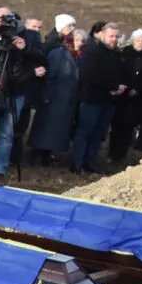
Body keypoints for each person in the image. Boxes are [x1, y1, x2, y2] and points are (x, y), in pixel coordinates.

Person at [72, 21, 128, 174]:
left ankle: (91, 162)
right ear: (103, 35)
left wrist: (120, 86)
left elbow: (120, 73)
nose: (114, 39)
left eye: (116, 36)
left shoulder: (116, 53)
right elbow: (89, 75)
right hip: (91, 98)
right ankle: (78, 163)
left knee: (98, 133)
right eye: (111, 36)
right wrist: (113, 86)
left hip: (108, 101)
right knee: (85, 131)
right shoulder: (92, 51)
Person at [29, 26, 83, 167]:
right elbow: (49, 76)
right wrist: (46, 96)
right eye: (77, 40)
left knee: (57, 131)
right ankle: (36, 155)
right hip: (53, 98)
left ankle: (47, 154)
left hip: (66, 100)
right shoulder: (58, 54)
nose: (80, 43)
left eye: (82, 40)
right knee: (45, 128)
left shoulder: (78, 56)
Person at [108, 28, 142, 168]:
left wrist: (138, 89)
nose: (140, 43)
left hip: (138, 98)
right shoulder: (125, 52)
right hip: (121, 94)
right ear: (133, 40)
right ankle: (112, 154)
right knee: (116, 125)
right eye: (137, 40)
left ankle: (122, 155)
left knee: (129, 127)